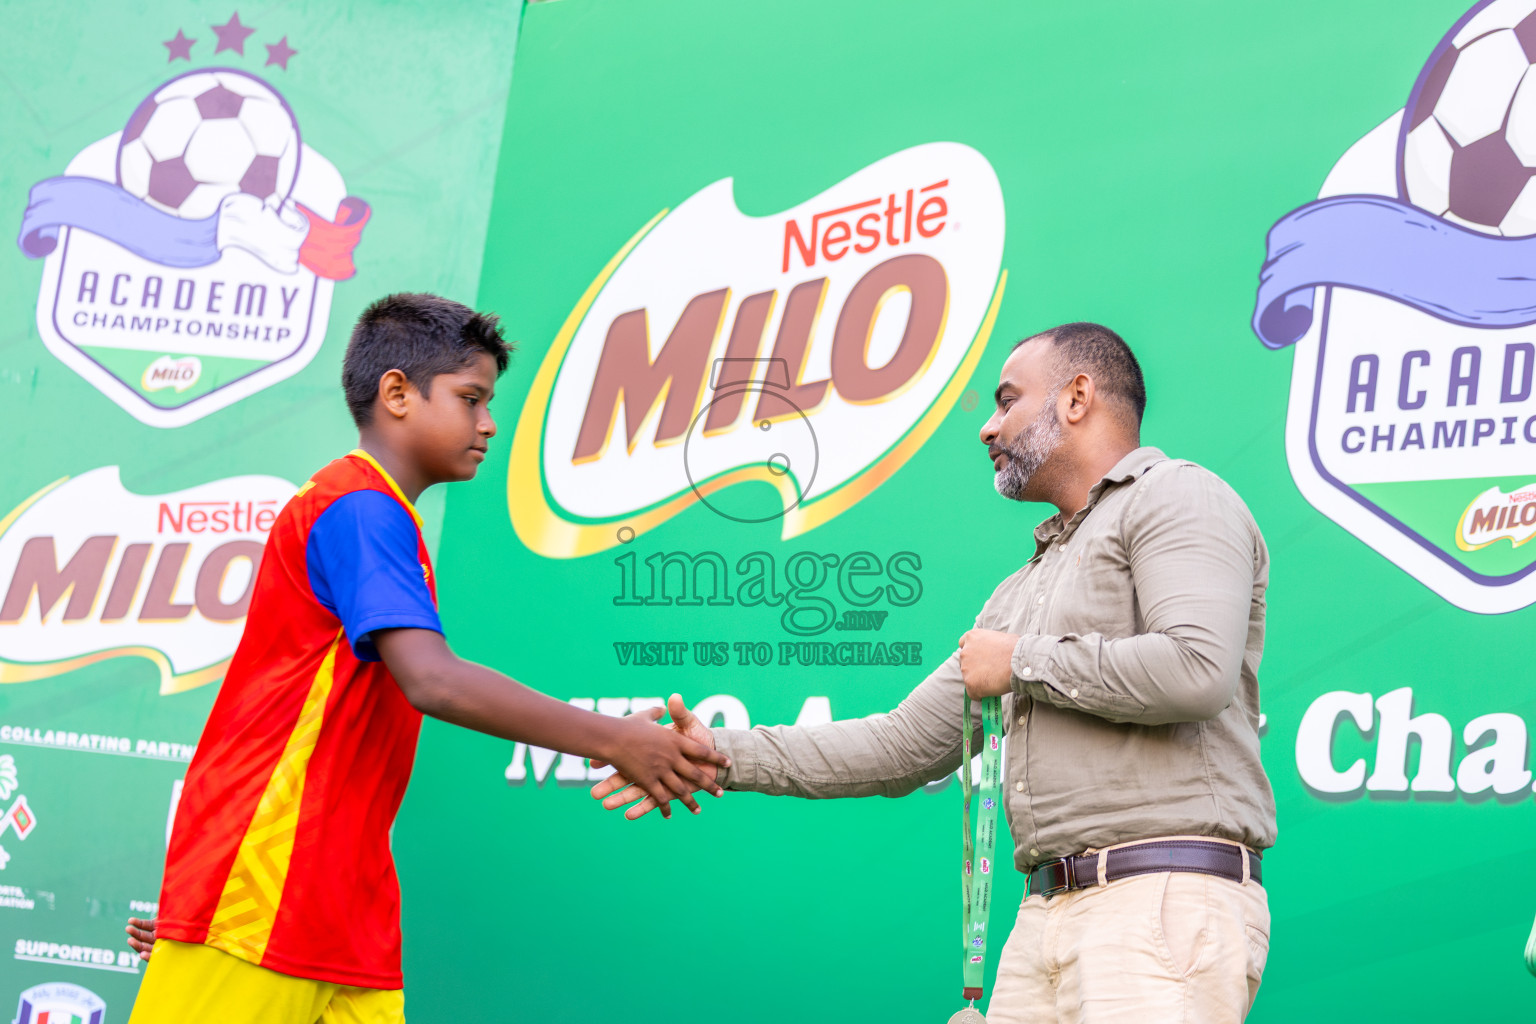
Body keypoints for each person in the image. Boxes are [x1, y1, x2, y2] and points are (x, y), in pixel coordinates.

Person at [594, 323, 1277, 1023]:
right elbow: (899, 747)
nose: (988, 428)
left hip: (1160, 900)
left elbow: (1195, 670)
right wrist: (719, 756)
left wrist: (1018, 661)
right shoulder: (1019, 593)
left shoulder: (1178, 496)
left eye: (1007, 401)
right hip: (1043, 917)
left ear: (1077, 397)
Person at [124, 293, 729, 1024]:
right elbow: (432, 680)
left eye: (489, 402)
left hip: (342, 907)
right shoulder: (357, 506)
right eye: (470, 398)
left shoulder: (375, 512)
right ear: (398, 394)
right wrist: (613, 739)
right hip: (264, 887)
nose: (488, 423)